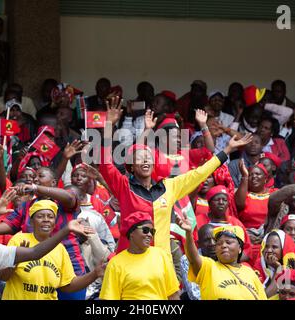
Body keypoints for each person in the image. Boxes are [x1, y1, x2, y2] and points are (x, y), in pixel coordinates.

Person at [100, 97, 253, 254]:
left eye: (148, 157)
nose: (145, 159)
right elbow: (105, 164)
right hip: (130, 258)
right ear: (131, 166)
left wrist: (227, 150)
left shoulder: (169, 186)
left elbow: (201, 172)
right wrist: (109, 125)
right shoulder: (124, 186)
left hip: (160, 261)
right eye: (139, 158)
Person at [1, 200, 104, 300]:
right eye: (40, 216)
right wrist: (15, 261)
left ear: (54, 223)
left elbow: (68, 285)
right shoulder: (18, 240)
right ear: (31, 222)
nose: (46, 219)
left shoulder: (60, 249)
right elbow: (3, 276)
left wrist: (94, 274)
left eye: (50, 217)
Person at [177, 215, 267, 300]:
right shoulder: (209, 267)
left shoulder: (249, 273)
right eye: (219, 243)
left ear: (239, 248)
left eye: (228, 242)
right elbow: (192, 258)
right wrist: (188, 234)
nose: (223, 245)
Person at [99, 211, 180, 300]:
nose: (149, 234)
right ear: (132, 233)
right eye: (145, 230)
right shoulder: (115, 263)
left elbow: (173, 294)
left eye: (152, 231)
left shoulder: (161, 255)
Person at [195, 185, 252, 262]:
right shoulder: (198, 221)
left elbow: (247, 252)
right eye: (217, 200)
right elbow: (194, 247)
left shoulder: (236, 223)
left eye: (224, 200)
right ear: (209, 203)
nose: (221, 202)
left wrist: (228, 262)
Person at [253, 229, 295, 298]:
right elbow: (264, 297)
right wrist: (278, 269)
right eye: (266, 246)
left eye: (274, 247)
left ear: (283, 249)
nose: (269, 250)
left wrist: (279, 269)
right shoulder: (260, 263)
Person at [235, 160, 275, 249]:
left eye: (257, 174)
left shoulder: (274, 193)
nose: (254, 177)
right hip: (247, 239)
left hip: (269, 239)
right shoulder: (243, 194)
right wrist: (244, 175)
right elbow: (239, 204)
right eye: (250, 175)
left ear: (265, 179)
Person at [179, 224, 216, 300]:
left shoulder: (223, 256)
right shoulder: (187, 259)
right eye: (207, 240)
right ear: (199, 244)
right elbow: (195, 295)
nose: (212, 243)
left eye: (215, 239)